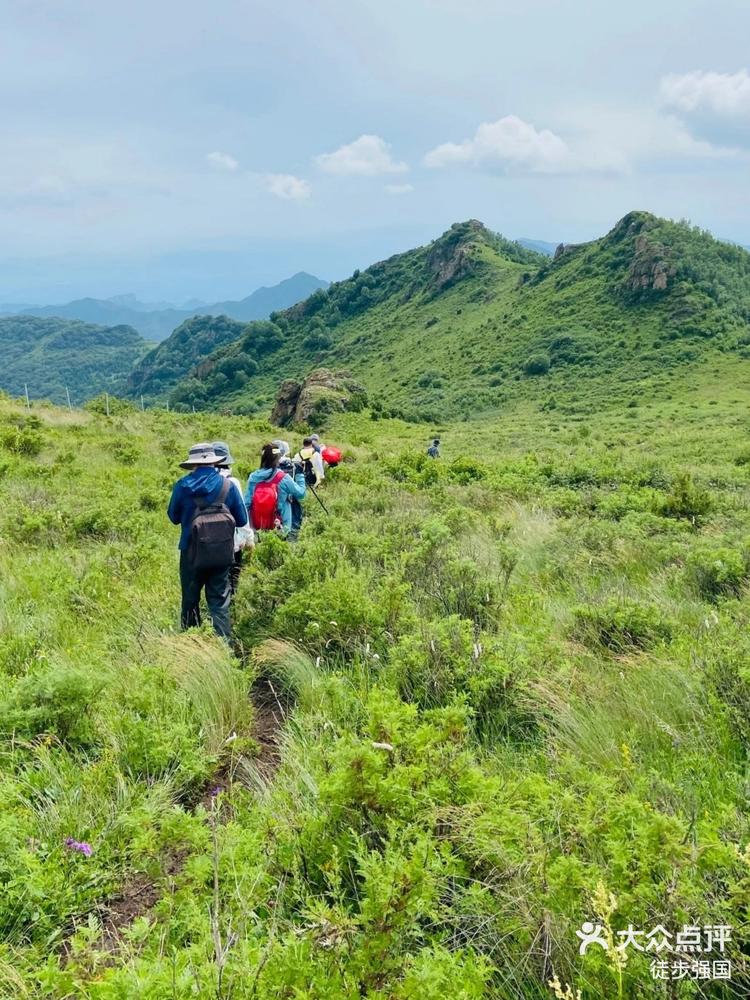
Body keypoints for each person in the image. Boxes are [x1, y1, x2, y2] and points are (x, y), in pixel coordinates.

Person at [168, 442, 248, 640]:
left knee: (190, 601)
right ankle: (223, 646)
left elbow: (173, 517)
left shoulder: (182, 486)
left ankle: (191, 644)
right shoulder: (228, 486)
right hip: (221, 553)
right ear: (215, 462)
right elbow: (241, 520)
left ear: (193, 464)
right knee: (220, 603)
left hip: (191, 552)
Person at [212, 440, 254, 596]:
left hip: (205, 540)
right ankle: (231, 605)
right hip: (231, 540)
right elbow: (241, 513)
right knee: (232, 580)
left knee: (214, 582)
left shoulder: (203, 481)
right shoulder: (232, 482)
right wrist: (248, 538)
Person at [245, 443, 306, 538]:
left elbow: (247, 504)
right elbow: (301, 494)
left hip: (256, 526)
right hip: (280, 527)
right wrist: (299, 474)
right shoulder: (283, 478)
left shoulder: (253, 477)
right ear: (278, 458)